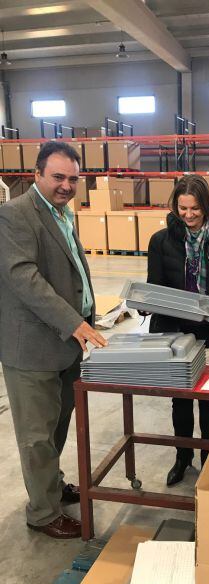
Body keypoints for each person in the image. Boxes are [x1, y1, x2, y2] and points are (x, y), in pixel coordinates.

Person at [0, 141, 107, 539]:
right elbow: (23, 278)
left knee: (57, 425)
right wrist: (74, 322)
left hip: (64, 345)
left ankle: (51, 486)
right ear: (37, 174)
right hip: (32, 348)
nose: (66, 185)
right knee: (36, 435)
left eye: (73, 179)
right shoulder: (15, 215)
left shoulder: (61, 213)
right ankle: (42, 513)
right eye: (58, 177)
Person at [146, 174, 209, 486]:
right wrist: (145, 302)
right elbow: (155, 286)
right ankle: (182, 456)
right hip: (174, 331)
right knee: (181, 399)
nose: (188, 215)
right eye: (182, 208)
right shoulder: (160, 241)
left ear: (207, 207)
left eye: (195, 208)